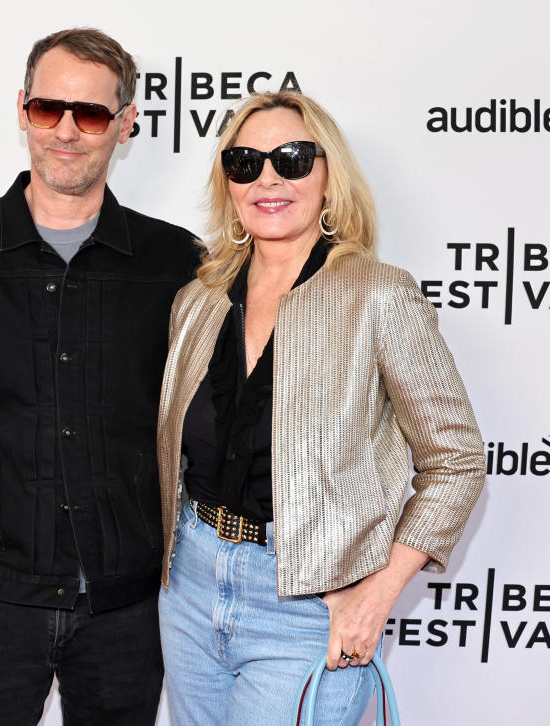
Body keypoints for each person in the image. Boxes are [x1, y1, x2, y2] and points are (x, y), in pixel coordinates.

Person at [0, 28, 199, 726]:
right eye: (50, 109)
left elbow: (204, 429)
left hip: (128, 612)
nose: (69, 133)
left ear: (126, 124)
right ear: (22, 109)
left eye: (93, 114)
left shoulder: (175, 262)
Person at [156, 91, 485, 725]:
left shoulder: (380, 297)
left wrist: (378, 594)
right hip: (191, 591)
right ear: (228, 182)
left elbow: (458, 460)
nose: (268, 178)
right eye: (245, 162)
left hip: (309, 607)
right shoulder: (197, 301)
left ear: (329, 174)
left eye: (293, 158)